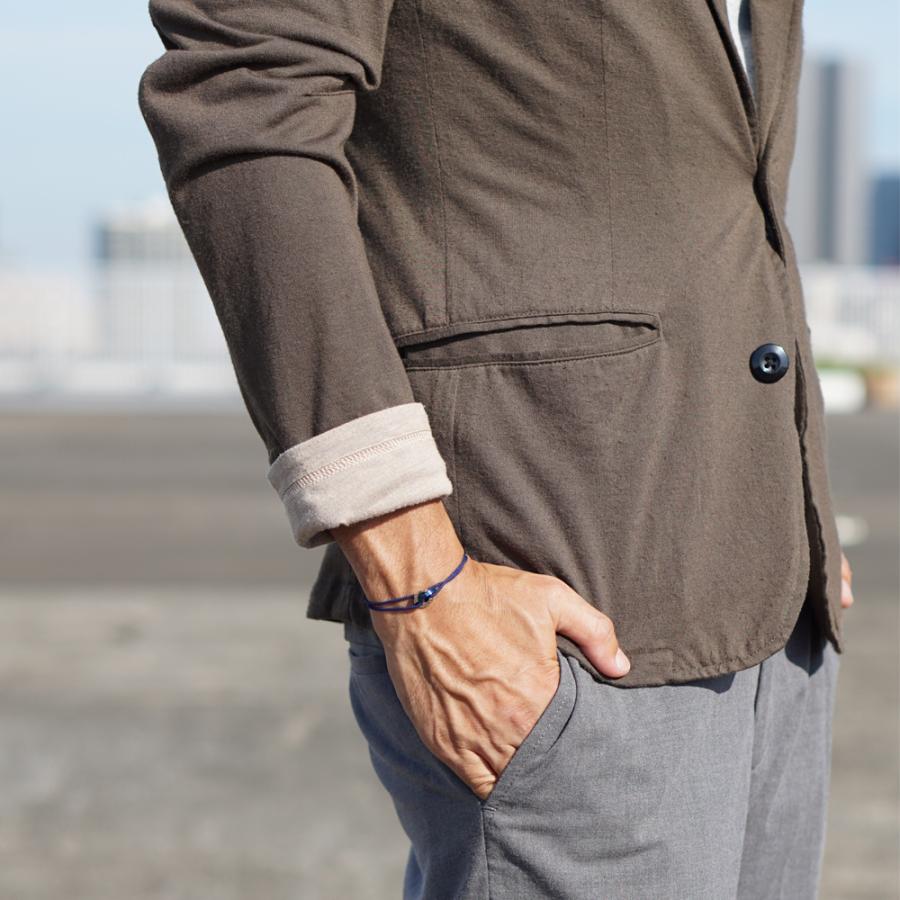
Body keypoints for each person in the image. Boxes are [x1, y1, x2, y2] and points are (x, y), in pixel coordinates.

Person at [137, 0, 856, 895]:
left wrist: (788, 480)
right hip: (549, 569)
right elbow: (246, 95)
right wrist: (419, 583)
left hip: (774, 593)